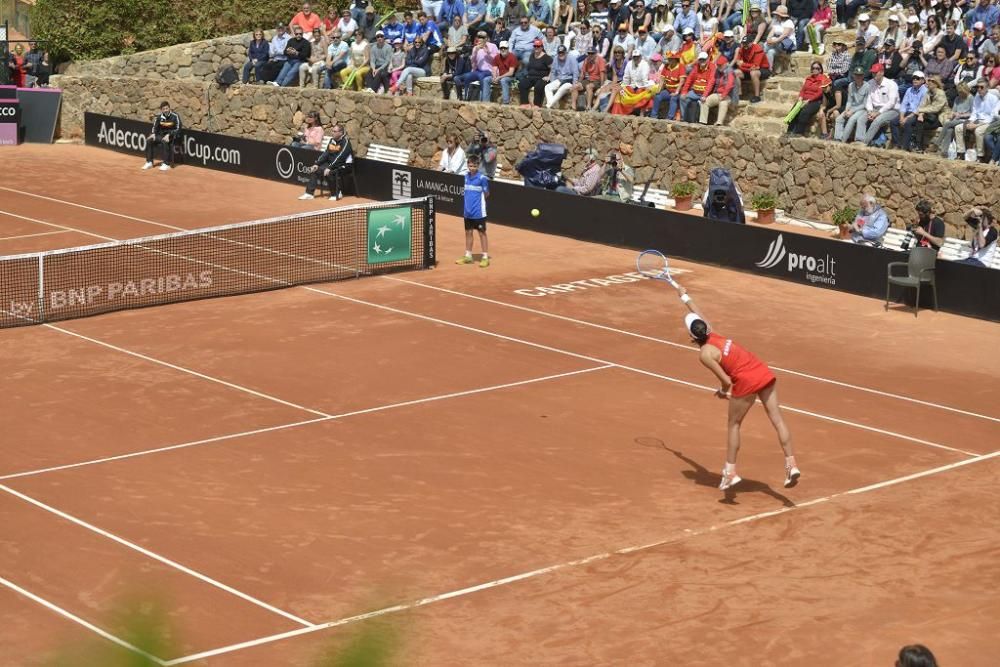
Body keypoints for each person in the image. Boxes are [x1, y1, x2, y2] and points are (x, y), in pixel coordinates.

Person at [677, 287, 800, 491]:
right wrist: (684, 295)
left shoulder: (705, 354)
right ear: (705, 328)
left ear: (691, 336)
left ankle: (730, 472)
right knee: (777, 419)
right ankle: (791, 464)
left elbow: (727, 381)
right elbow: (695, 309)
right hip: (762, 371)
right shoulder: (713, 331)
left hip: (747, 381)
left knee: (733, 425)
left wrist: (722, 391)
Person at [298, 124, 353, 200]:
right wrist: (317, 164)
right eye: (332, 131)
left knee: (329, 172)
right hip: (332, 164)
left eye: (334, 131)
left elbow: (340, 157)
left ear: (340, 133)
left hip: (345, 166)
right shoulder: (332, 140)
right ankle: (309, 193)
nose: (332, 133)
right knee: (315, 169)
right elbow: (326, 153)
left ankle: (336, 193)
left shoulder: (345, 142)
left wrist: (329, 167)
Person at [456, 155, 491, 268]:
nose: (472, 168)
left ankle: (485, 257)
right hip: (467, 212)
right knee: (468, 233)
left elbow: (486, 194)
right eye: (470, 166)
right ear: (468, 165)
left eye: (474, 166)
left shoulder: (482, 179)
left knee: (482, 233)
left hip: (479, 213)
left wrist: (478, 204)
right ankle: (468, 256)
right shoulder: (465, 177)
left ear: (478, 166)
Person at [142, 101, 182, 171]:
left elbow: (178, 128)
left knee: (164, 141)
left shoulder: (175, 116)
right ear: (162, 110)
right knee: (149, 140)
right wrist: (153, 134)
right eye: (164, 109)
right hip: (160, 135)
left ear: (169, 108)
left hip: (171, 136)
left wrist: (169, 135)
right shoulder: (159, 117)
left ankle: (166, 163)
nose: (166, 110)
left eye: (167, 108)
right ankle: (149, 162)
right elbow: (155, 127)